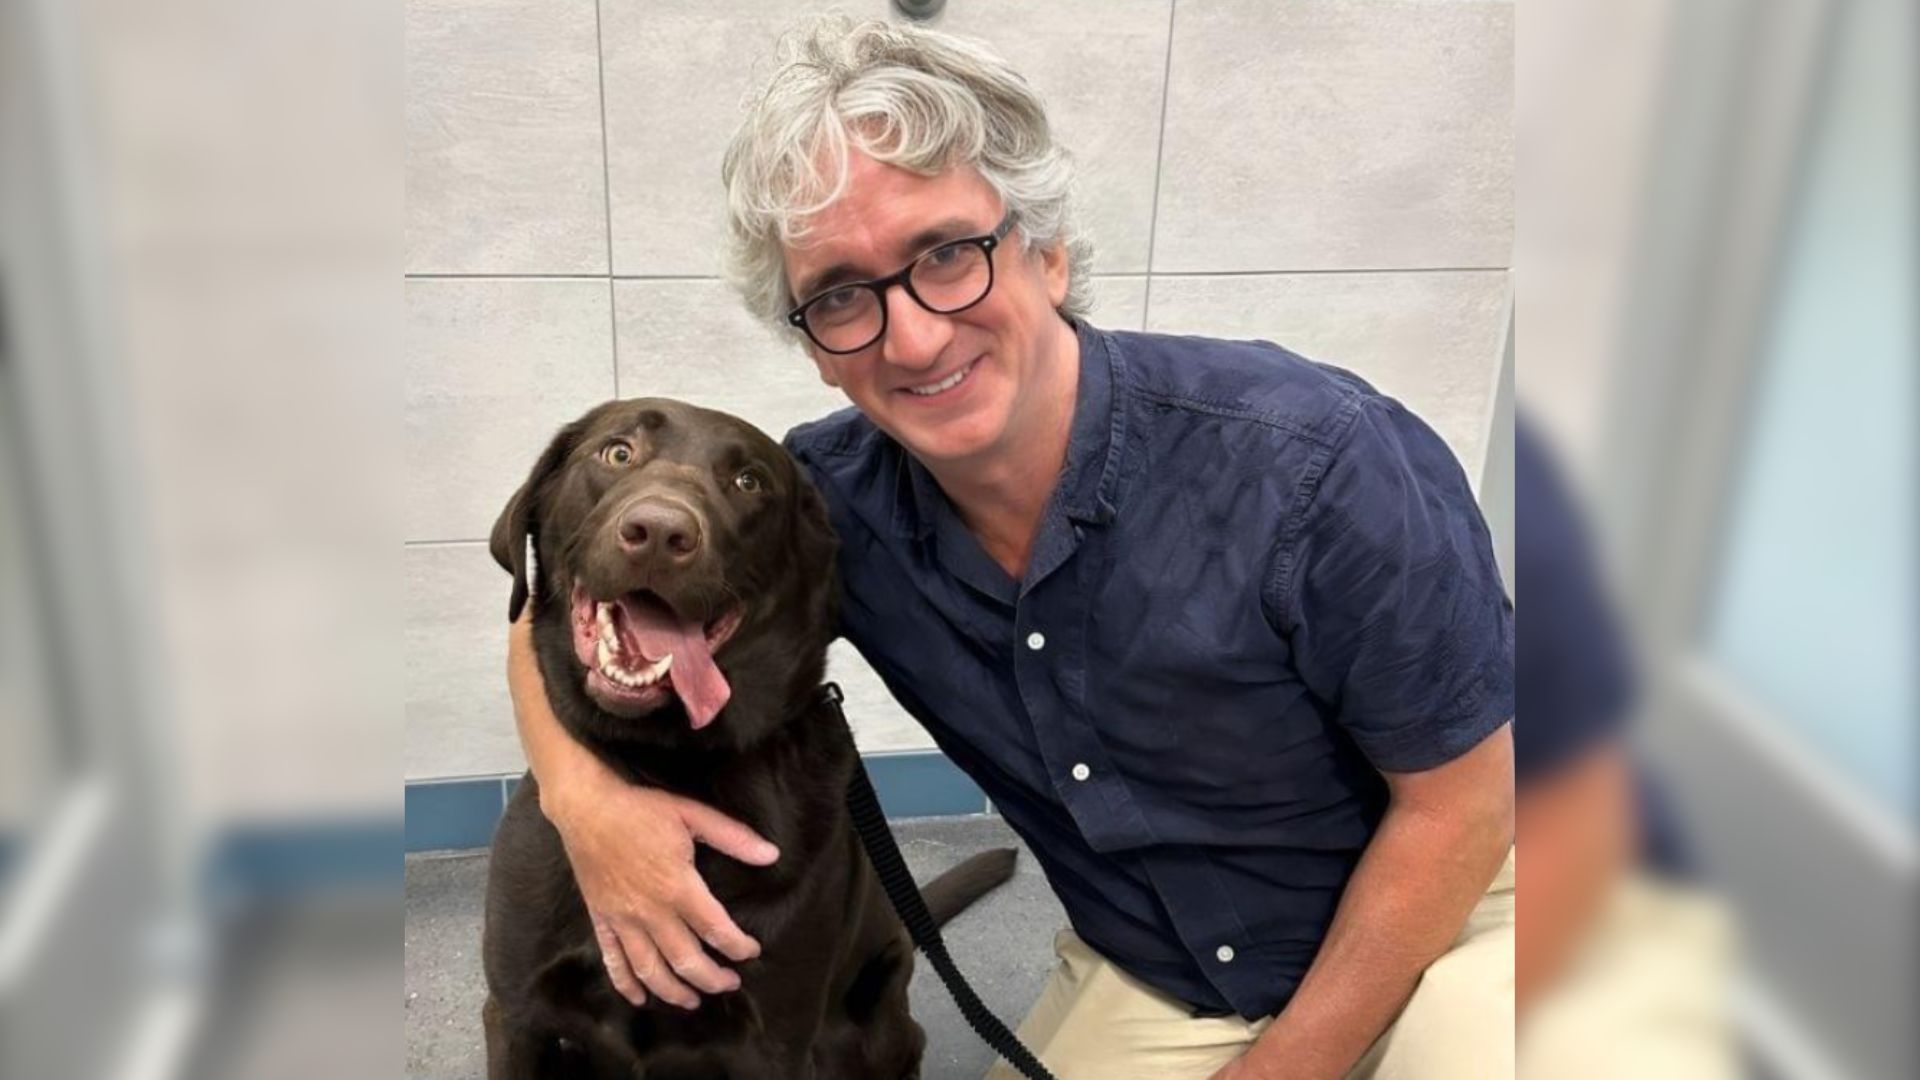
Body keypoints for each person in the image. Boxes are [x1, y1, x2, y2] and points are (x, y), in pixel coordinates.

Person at [508, 17, 1515, 1080]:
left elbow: (1463, 806)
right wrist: (586, 803)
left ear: (1047, 252)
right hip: (1174, 974)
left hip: (1459, 913)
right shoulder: (818, 512)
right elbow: (562, 603)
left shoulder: (1314, 463)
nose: (914, 336)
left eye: (947, 254)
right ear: (812, 346)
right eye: (842, 294)